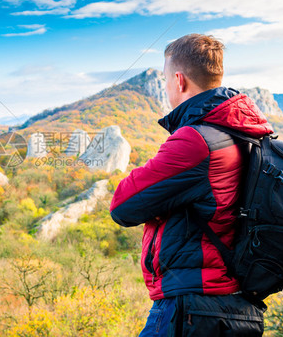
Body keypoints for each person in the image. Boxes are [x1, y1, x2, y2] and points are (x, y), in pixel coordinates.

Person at [109, 34, 271, 336]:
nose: (168, 88)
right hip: (238, 307)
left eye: (167, 80)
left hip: (191, 308)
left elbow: (123, 206)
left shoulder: (196, 140)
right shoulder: (246, 134)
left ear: (179, 81)